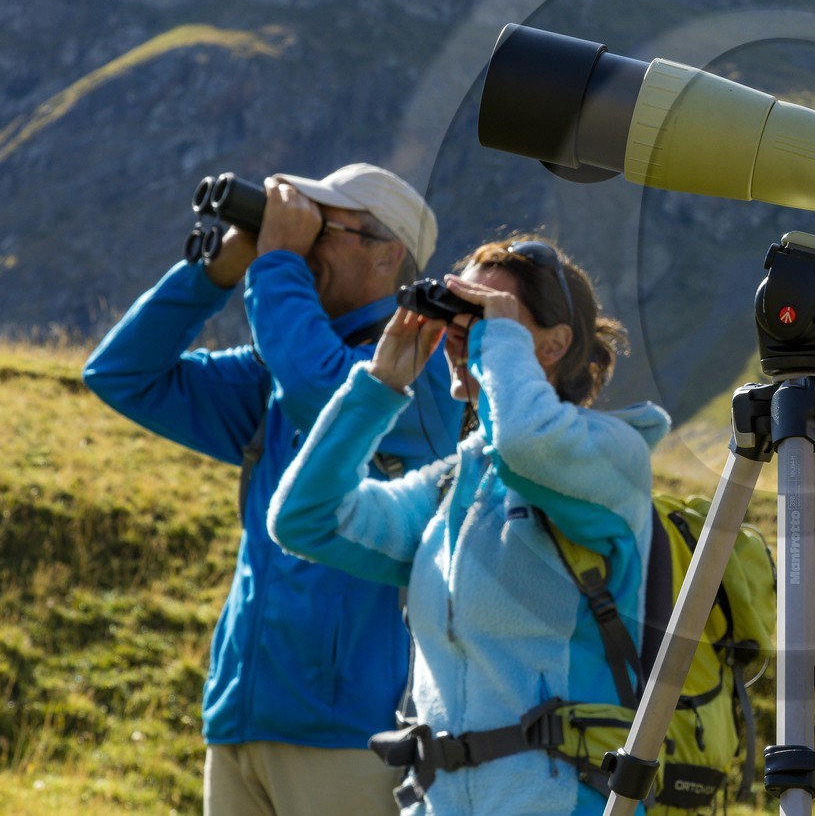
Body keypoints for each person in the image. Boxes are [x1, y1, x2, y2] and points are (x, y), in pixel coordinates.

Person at [83, 163, 462, 816]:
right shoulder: (274, 377)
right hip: (242, 719)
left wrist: (277, 263)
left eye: (323, 229)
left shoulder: (422, 368)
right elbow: (122, 374)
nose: (300, 240)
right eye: (297, 225)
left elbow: (333, 394)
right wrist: (215, 273)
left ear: (387, 252)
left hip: (358, 735)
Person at [268, 235, 671, 815]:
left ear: (555, 344)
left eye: (486, 313)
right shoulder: (452, 489)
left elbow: (528, 443)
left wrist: (496, 336)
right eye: (460, 313)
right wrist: (379, 386)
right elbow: (305, 519)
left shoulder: (612, 457)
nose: (464, 332)